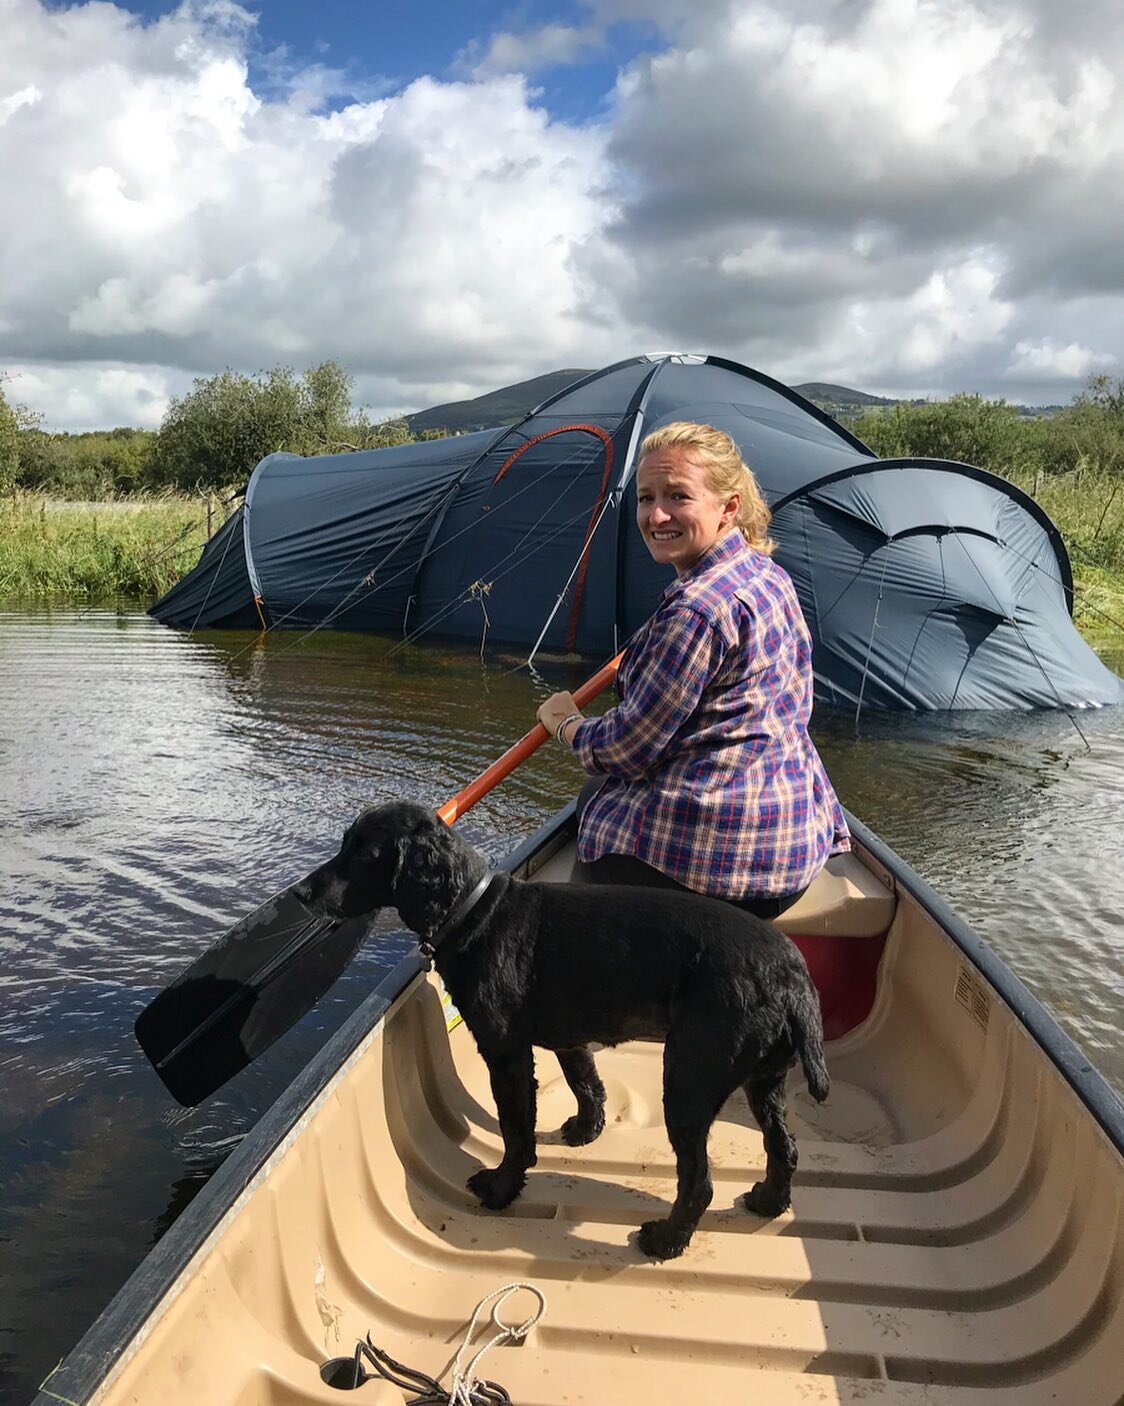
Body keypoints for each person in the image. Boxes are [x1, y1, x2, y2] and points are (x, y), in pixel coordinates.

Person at [536, 420, 849, 919]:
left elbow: (625, 749)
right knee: (603, 791)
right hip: (791, 850)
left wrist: (566, 724)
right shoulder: (767, 574)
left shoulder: (695, 611)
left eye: (677, 496)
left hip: (722, 875)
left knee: (595, 795)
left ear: (729, 507)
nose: (656, 515)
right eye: (644, 498)